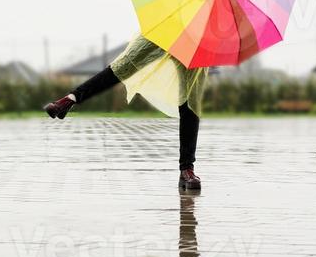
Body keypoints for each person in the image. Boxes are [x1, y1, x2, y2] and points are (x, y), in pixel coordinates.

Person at [43, 34, 208, 192]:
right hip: (169, 26)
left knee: (191, 98)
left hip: (196, 40)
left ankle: (187, 169)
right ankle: (69, 100)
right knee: (123, 65)